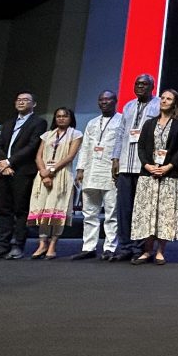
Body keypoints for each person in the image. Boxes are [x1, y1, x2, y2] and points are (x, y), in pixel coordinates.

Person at [0, 92, 48, 260]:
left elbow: (32, 145)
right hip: (4, 171)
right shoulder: (8, 123)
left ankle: (17, 245)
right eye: (19, 100)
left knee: (21, 210)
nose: (21, 102)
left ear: (34, 104)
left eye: (26, 100)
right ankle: (2, 245)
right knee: (4, 209)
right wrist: (2, 163)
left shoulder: (39, 122)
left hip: (22, 171)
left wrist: (10, 162)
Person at [132, 89, 178, 265]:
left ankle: (161, 251)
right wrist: (148, 165)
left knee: (165, 213)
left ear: (175, 103)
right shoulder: (149, 123)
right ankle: (147, 250)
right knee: (147, 212)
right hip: (148, 174)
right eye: (162, 98)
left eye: (168, 99)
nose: (163, 101)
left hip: (169, 175)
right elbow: (141, 147)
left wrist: (168, 167)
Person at [110, 74, 161, 261]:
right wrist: (115, 158)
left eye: (144, 84)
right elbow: (121, 133)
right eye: (137, 83)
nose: (140, 87)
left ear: (152, 87)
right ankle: (124, 247)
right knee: (123, 209)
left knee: (141, 209)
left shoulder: (157, 105)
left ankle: (139, 248)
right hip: (125, 164)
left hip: (144, 165)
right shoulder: (128, 106)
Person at [72, 90, 123, 261]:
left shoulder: (122, 120)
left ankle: (110, 247)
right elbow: (85, 146)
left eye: (108, 99)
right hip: (91, 171)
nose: (104, 102)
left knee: (111, 213)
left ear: (115, 101)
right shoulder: (92, 123)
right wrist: (80, 169)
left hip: (110, 173)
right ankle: (88, 247)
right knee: (89, 213)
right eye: (101, 100)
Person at [26, 107, 83, 260]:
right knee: (43, 207)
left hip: (61, 175)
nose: (61, 118)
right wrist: (43, 172)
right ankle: (42, 243)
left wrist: (51, 171)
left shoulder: (76, 134)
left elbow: (70, 157)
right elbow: (38, 156)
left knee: (57, 208)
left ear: (70, 118)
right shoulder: (47, 135)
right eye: (58, 116)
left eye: (65, 116)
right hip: (43, 175)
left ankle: (52, 245)